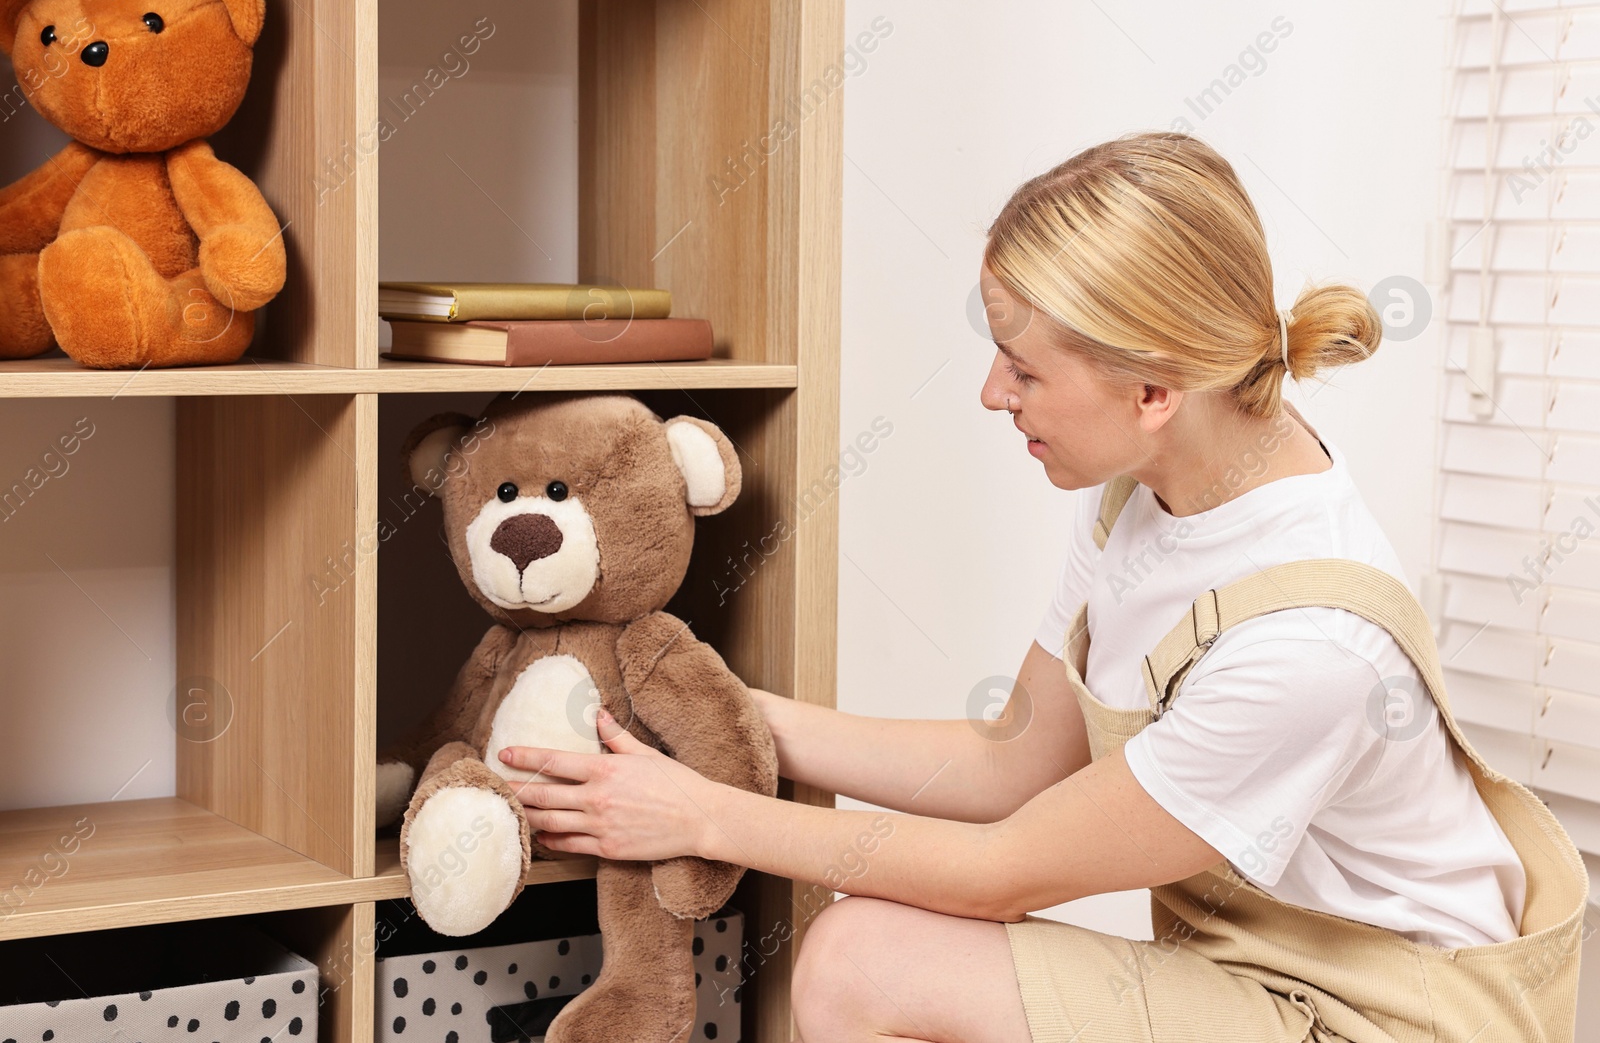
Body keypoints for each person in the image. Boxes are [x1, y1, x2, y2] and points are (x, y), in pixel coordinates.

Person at [493, 132, 1589, 1042]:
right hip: (1253, 975)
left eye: (1022, 364)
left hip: (1379, 1018)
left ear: (1155, 385)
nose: (989, 390)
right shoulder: (1148, 490)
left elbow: (998, 870)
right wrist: (725, 714)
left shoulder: (1309, 644)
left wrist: (701, 813)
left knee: (861, 956)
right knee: (863, 946)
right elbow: (1012, 758)